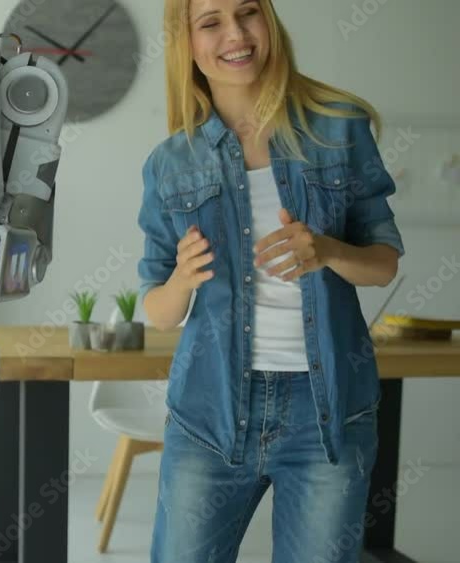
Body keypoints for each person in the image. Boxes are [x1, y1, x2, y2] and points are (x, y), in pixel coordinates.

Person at [136, 0, 405, 561]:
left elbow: (383, 264)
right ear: (187, 43)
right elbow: (157, 310)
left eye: (248, 12)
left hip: (328, 413)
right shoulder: (171, 162)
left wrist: (328, 250)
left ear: (269, 20)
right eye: (211, 22)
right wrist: (182, 279)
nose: (235, 34)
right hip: (209, 414)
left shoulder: (338, 128)